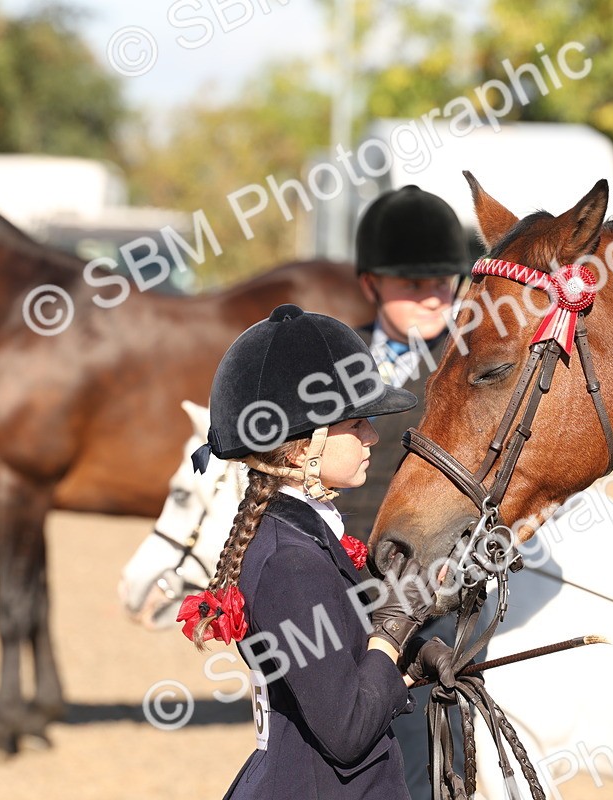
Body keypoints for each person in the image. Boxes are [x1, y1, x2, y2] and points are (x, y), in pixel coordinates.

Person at [178, 304, 456, 799]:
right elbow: (346, 730)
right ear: (302, 447)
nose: (373, 435)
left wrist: (406, 662)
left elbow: (335, 666)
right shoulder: (290, 564)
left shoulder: (305, 538)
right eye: (358, 424)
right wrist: (392, 631)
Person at [335, 184, 471, 799]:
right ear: (370, 284)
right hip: (334, 589)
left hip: (433, 596)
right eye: (409, 283)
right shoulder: (331, 362)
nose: (430, 296)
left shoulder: (474, 365)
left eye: (442, 280)